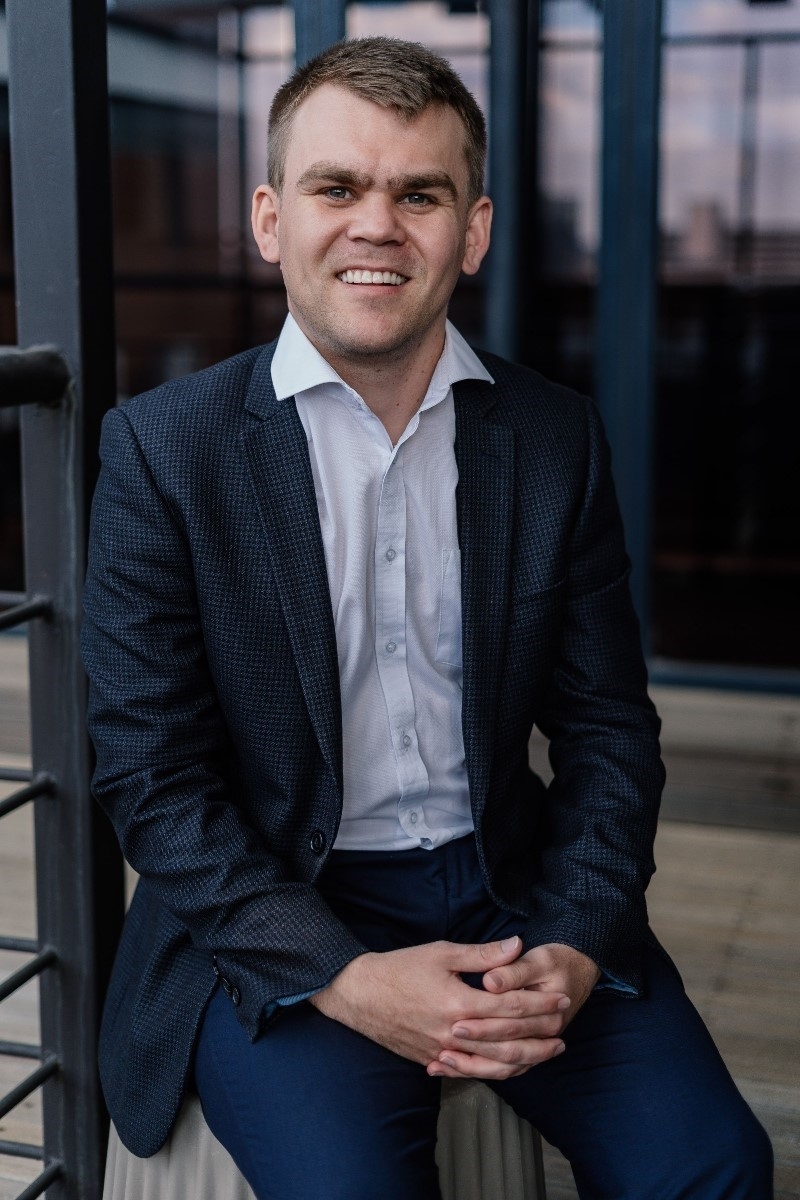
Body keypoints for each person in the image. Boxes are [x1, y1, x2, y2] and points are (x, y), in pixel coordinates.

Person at [82, 36, 772, 1200]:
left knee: (711, 1167)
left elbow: (609, 732)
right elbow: (151, 777)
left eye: (419, 194)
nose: (377, 225)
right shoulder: (163, 450)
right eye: (336, 188)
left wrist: (574, 938)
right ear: (270, 220)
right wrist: (347, 979)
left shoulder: (551, 439)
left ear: (473, 229)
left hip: (508, 885)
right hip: (283, 895)